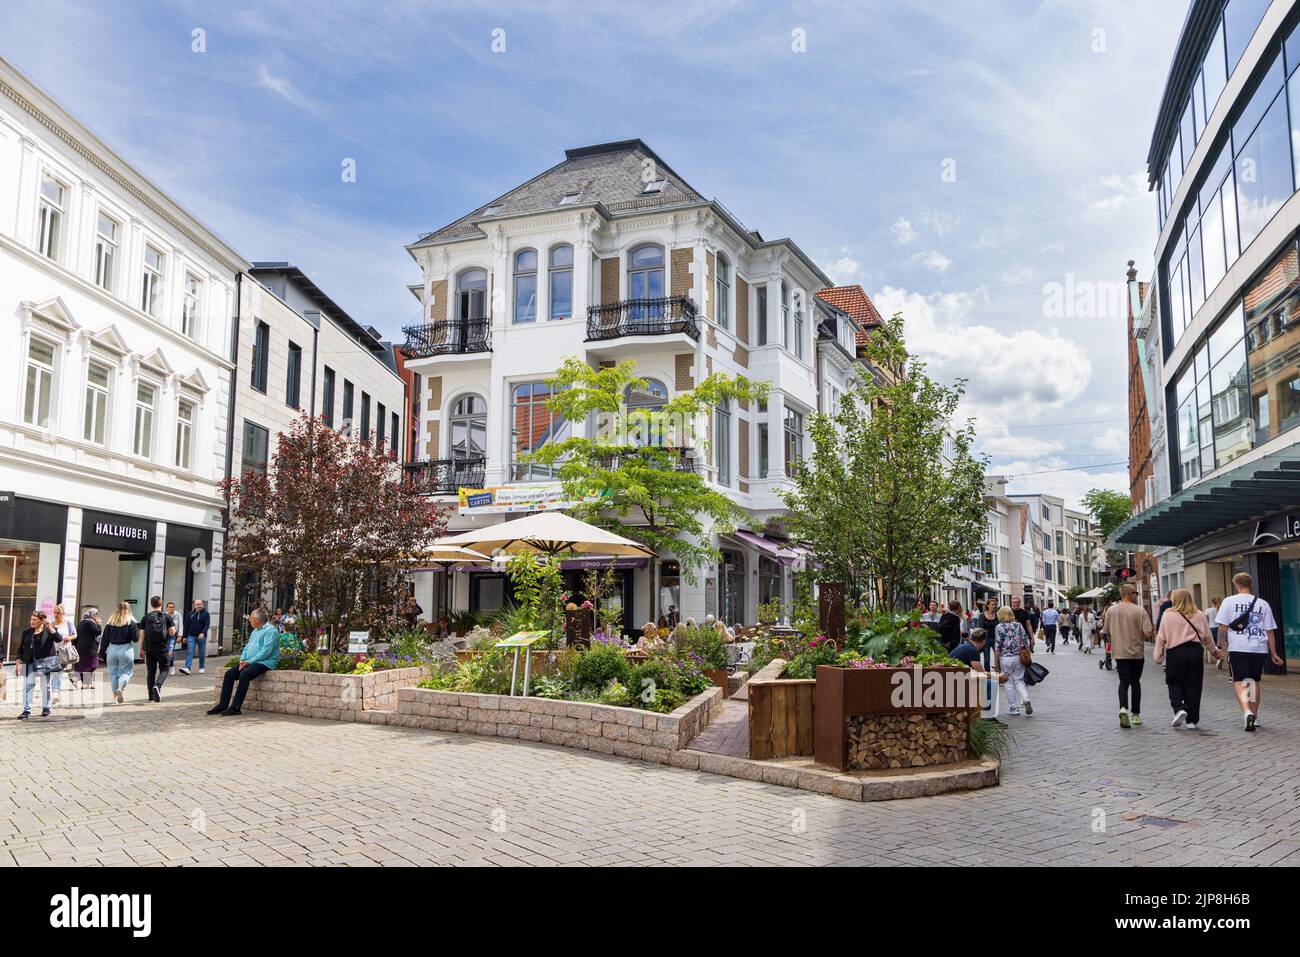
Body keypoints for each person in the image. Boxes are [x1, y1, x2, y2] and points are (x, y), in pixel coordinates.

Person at [1215, 572, 1284, 732]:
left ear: (1236, 584)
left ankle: (1247, 712)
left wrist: (1220, 648)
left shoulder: (1229, 601)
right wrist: (1274, 653)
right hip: (1259, 648)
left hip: (1238, 647)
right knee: (1253, 681)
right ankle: (1255, 716)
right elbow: (1270, 631)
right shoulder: (1263, 603)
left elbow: (1223, 628)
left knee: (1239, 681)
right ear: (1249, 584)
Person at [1154, 588, 1222, 730]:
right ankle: (1192, 720)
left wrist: (1158, 656)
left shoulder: (1168, 614)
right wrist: (1215, 652)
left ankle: (1179, 708)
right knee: (1194, 685)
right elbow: (1208, 636)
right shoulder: (1199, 615)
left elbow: (1161, 637)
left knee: (1174, 682)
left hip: (1175, 652)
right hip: (1195, 652)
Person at [208, 607, 280, 716]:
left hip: (265, 662)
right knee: (229, 674)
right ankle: (222, 705)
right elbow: (247, 647)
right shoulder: (255, 631)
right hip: (250, 661)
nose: (249, 620)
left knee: (244, 674)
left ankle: (235, 708)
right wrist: (242, 659)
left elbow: (266, 651)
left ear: (258, 620)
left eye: (251, 618)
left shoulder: (271, 630)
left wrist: (249, 661)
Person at [1101, 583, 1153, 728]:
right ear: (1129, 594)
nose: (1137, 595)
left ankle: (1123, 709)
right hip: (1136, 652)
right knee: (1135, 683)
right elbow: (1148, 633)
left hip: (1120, 652)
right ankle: (1135, 714)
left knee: (1123, 682)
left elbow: (1105, 630)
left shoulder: (1111, 610)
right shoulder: (1140, 611)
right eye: (1135, 593)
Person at [992, 606, 1033, 717]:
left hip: (1005, 657)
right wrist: (1028, 654)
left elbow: (998, 645)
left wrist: (996, 661)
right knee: (1019, 679)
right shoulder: (1018, 625)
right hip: (1018, 656)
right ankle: (1025, 698)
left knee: (1008, 682)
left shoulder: (999, 627)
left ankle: (1013, 707)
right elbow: (1025, 640)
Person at [16, 610, 57, 718]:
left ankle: (46, 708)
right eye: (31, 619)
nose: (32, 621)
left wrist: (49, 626)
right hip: (27, 662)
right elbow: (20, 649)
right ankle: (26, 710)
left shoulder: (49, 631)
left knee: (46, 686)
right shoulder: (26, 632)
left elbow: (59, 639)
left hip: (45, 663)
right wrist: (17, 663)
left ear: (42, 620)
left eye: (35, 620)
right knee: (27, 686)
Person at [100, 601, 139, 704]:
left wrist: (101, 654)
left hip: (112, 649)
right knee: (126, 672)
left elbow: (104, 639)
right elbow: (135, 639)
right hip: (125, 649)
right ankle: (121, 688)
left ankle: (115, 698)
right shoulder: (131, 622)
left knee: (113, 674)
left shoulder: (110, 622)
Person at [139, 596, 171, 703]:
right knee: (165, 668)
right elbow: (173, 632)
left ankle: (150, 697)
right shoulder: (166, 617)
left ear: (151, 605)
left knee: (151, 672)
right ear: (161, 604)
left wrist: (140, 649)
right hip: (162, 647)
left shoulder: (146, 617)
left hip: (149, 648)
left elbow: (142, 635)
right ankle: (157, 685)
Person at [72, 607, 102, 688]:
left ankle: (85, 683)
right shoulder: (90, 623)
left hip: (81, 648)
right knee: (93, 665)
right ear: (92, 615)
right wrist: (99, 624)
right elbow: (98, 632)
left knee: (84, 665)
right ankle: (75, 677)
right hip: (89, 648)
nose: (97, 617)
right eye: (96, 615)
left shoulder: (81, 622)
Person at [180, 598, 210, 675]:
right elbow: (186, 625)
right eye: (197, 605)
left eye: (200, 604)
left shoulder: (206, 614)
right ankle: (187, 668)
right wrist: (185, 636)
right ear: (194, 605)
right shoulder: (191, 614)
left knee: (202, 652)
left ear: (202, 605)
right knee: (190, 651)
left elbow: (207, 625)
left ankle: (201, 667)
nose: (198, 606)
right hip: (191, 636)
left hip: (202, 637)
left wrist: (203, 633)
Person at [1205, 596, 1222, 670]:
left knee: (1213, 644)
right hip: (1220, 629)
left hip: (1212, 629)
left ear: (1212, 602)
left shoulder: (1208, 610)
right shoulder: (1220, 610)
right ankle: (1220, 656)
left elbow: (1205, 620)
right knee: (1220, 645)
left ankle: (1219, 658)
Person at [164, 600, 180, 676]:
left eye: (173, 607)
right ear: (167, 608)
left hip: (173, 635)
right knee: (165, 651)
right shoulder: (164, 615)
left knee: (170, 651)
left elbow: (181, 625)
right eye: (170, 607)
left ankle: (171, 667)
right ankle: (165, 667)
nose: (172, 609)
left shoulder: (178, 614)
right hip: (165, 635)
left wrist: (180, 635)